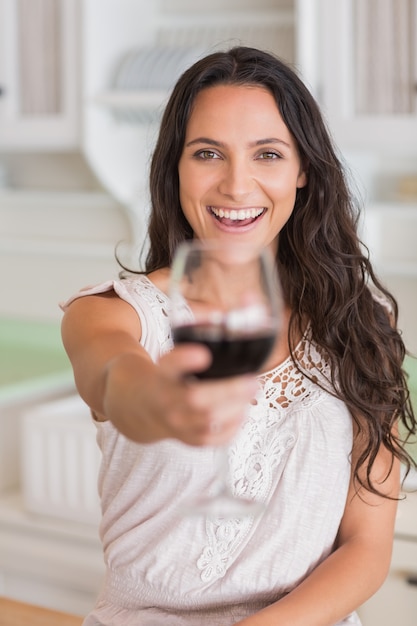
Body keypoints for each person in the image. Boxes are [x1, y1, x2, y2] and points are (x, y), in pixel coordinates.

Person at [61, 46, 417, 626]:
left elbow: (366, 547)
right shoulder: (112, 312)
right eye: (208, 154)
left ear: (303, 170)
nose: (236, 184)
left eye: (268, 154)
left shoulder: (361, 323)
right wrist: (154, 400)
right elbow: (112, 375)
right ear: (175, 167)